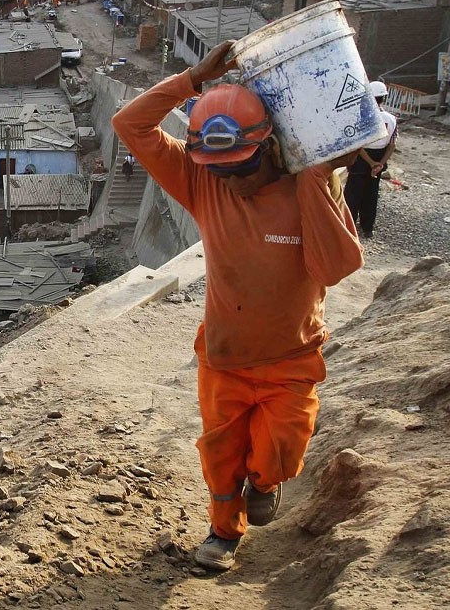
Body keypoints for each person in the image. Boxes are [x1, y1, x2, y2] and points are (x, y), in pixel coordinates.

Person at [112, 42, 364, 571]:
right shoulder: (203, 182)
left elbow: (337, 267)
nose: (233, 179)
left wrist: (321, 178)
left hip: (289, 361)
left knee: (281, 449)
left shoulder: (308, 186)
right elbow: (129, 125)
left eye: (242, 166)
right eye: (220, 169)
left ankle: (266, 481)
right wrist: (190, 81)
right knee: (220, 460)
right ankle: (223, 534)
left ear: (269, 145)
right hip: (224, 359)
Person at [343, 81, 397, 239]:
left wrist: (370, 162)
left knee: (353, 193)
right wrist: (379, 163)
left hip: (361, 159)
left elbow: (358, 145)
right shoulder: (391, 119)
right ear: (384, 98)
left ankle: (349, 225)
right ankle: (367, 228)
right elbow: (392, 144)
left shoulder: (361, 116)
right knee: (371, 193)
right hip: (380, 158)